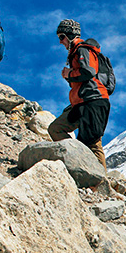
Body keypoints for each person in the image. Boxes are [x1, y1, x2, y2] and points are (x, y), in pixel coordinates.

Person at [50, 19, 111, 169]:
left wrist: (69, 74)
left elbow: (89, 71)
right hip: (81, 102)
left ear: (70, 35)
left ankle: (100, 184)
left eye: (61, 37)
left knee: (93, 143)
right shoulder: (75, 52)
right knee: (55, 128)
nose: (60, 42)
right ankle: (77, 161)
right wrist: (69, 75)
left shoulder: (82, 49)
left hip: (93, 100)